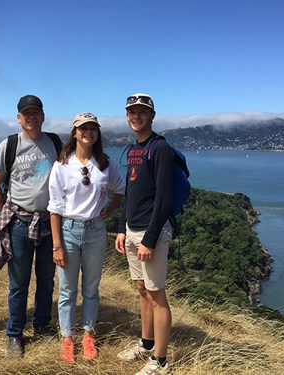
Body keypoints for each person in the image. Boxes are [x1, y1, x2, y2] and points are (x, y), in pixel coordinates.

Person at [48, 112, 125, 363]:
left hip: (95, 231)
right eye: (83, 129)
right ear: (74, 133)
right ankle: (67, 338)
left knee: (91, 288)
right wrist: (57, 244)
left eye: (93, 129)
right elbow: (55, 208)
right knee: (67, 289)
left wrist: (111, 210)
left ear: (97, 133)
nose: (88, 133)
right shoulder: (61, 165)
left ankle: (87, 334)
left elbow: (120, 188)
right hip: (68, 231)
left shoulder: (105, 163)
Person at [0, 95, 61, 358]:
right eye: (26, 114)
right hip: (19, 224)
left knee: (46, 280)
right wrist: (8, 211)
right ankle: (14, 334)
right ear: (19, 118)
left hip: (48, 222)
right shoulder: (9, 145)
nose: (31, 118)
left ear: (43, 116)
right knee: (18, 283)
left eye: (36, 113)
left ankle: (41, 326)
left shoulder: (54, 143)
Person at [115, 94, 174, 375]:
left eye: (142, 112)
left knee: (157, 294)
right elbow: (130, 193)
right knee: (142, 289)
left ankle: (160, 361)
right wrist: (120, 228)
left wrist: (150, 239)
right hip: (131, 230)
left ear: (152, 116)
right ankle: (147, 343)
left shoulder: (160, 148)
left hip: (151, 233)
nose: (136, 116)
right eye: (132, 112)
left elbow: (163, 197)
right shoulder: (132, 149)